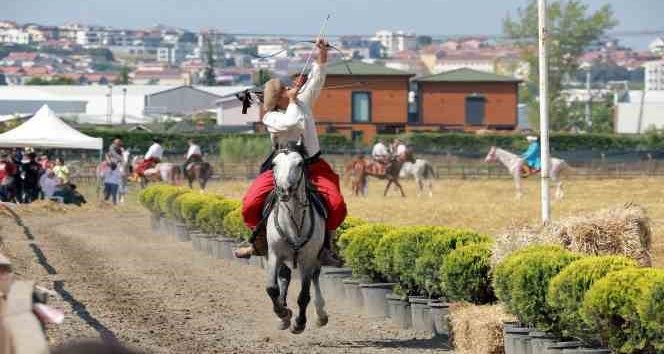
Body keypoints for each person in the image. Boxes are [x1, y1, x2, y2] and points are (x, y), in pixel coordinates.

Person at [235, 39, 347, 266]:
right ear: (279, 99)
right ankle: (257, 244)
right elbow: (291, 121)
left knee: (336, 205)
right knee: (249, 205)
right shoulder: (271, 117)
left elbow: (318, 78)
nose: (290, 89)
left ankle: (326, 246)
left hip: (314, 166)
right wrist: (295, 100)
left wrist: (321, 53)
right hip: (281, 166)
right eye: (286, 89)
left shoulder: (301, 101)